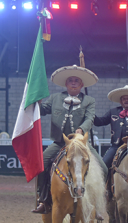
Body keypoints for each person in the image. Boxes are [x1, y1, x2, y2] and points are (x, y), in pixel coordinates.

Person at [32, 65, 105, 214]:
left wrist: (82, 130)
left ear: (81, 85)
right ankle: (43, 199)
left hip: (81, 144)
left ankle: (97, 203)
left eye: (76, 80)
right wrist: (36, 103)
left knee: (103, 168)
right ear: (66, 84)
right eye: (70, 80)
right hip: (60, 143)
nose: (73, 82)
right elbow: (42, 111)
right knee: (42, 163)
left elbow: (90, 118)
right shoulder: (55, 98)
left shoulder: (89, 100)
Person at [94, 85, 128, 170]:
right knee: (103, 166)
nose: (126, 100)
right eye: (124, 98)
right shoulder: (113, 112)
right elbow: (100, 122)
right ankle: (105, 183)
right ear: (120, 101)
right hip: (117, 146)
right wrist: (90, 114)